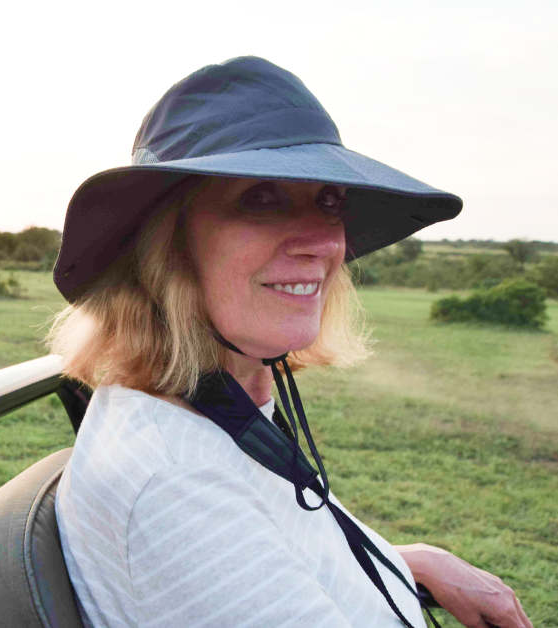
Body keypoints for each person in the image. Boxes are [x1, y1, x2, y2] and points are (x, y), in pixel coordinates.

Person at [49, 57, 533, 628]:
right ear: (167, 245)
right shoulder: (175, 480)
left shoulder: (218, 406)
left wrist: (411, 562)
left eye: (329, 200)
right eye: (262, 198)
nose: (322, 241)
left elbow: (271, 557)